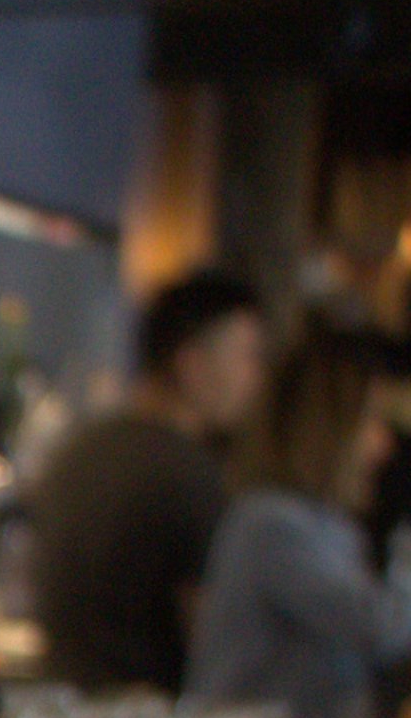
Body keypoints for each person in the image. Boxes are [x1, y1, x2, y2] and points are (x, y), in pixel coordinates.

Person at [184, 326, 411, 718]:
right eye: (370, 421)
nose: (383, 444)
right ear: (327, 427)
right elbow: (372, 623)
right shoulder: (270, 522)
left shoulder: (325, 527)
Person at [26, 269, 269, 692]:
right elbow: (211, 644)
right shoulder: (187, 473)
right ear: (191, 364)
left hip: (65, 709)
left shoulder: (83, 448)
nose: (255, 378)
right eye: (246, 356)